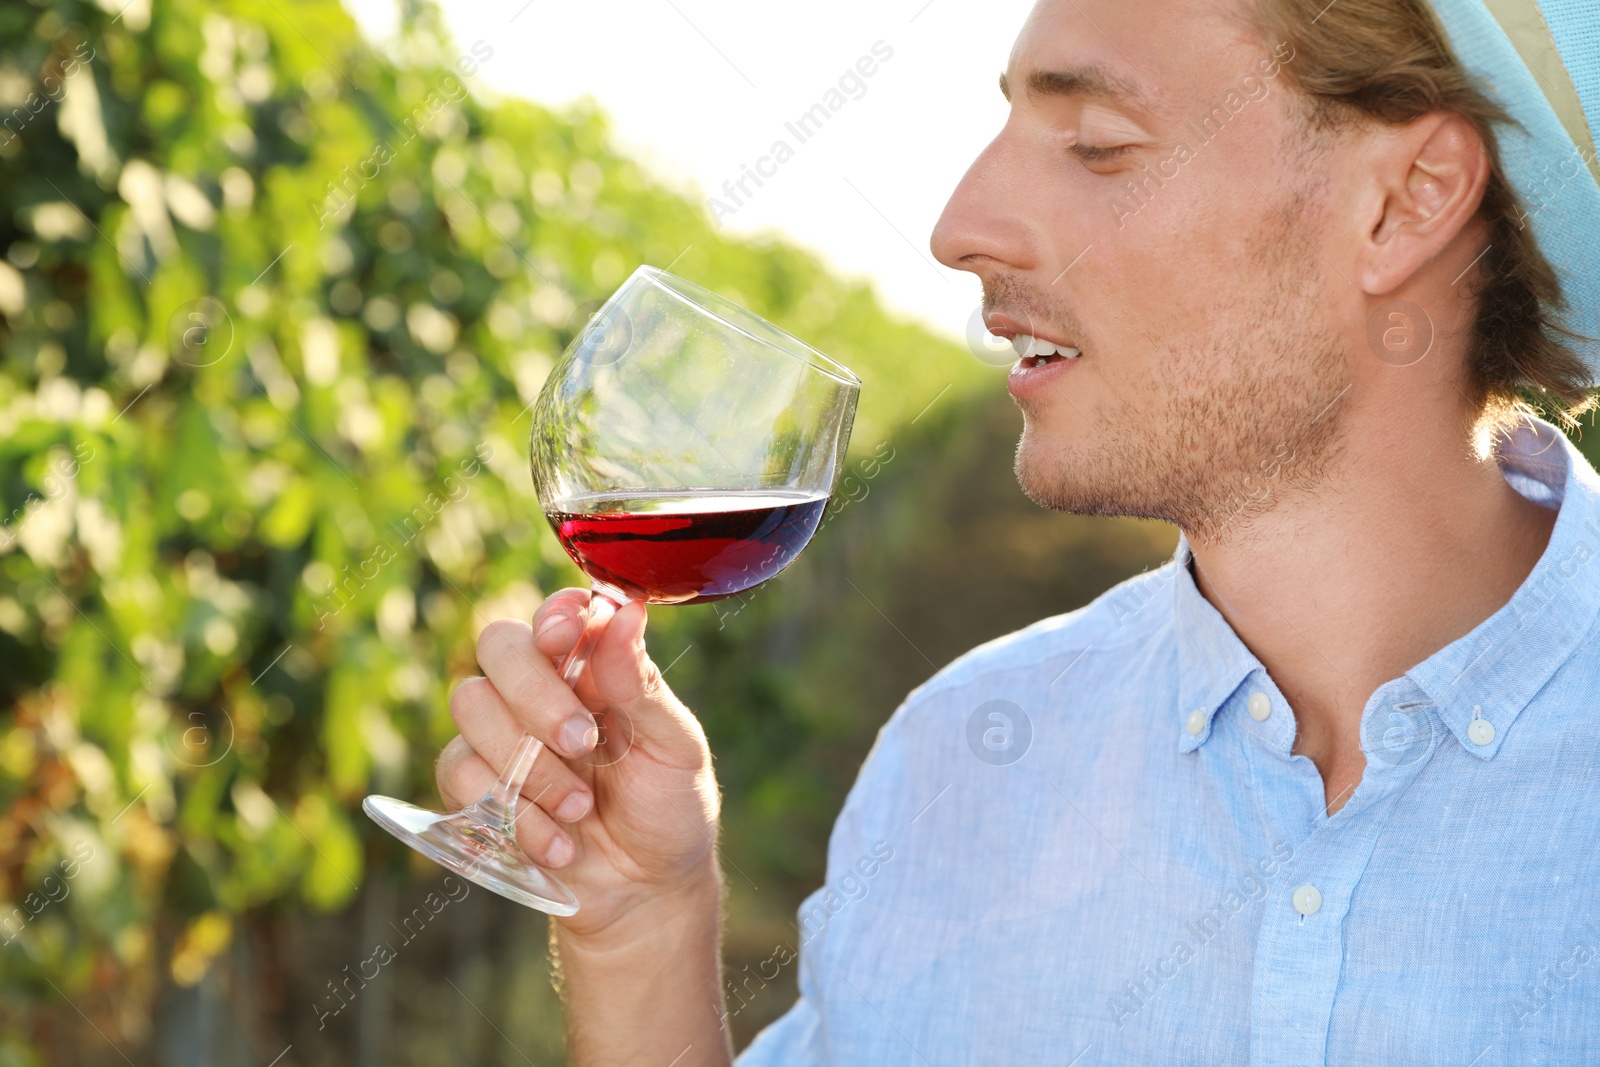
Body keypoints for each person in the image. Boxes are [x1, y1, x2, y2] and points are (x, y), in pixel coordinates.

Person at [435, 0, 1600, 1061]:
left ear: (1404, 204)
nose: (957, 229)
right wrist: (637, 926)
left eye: (1096, 144)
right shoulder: (952, 770)